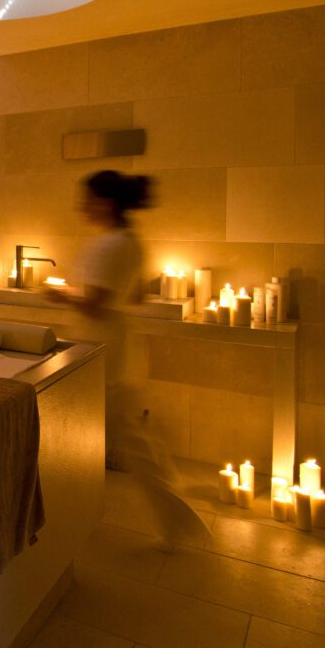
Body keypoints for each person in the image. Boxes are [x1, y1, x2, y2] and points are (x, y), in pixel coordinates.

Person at [45, 169, 210, 551]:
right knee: (134, 438)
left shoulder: (111, 246)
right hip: (113, 345)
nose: (81, 208)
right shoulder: (128, 242)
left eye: (86, 200)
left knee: (130, 439)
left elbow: (96, 306)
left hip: (98, 347)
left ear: (104, 202)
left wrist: (58, 294)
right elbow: (135, 296)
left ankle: (178, 521)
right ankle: (176, 518)